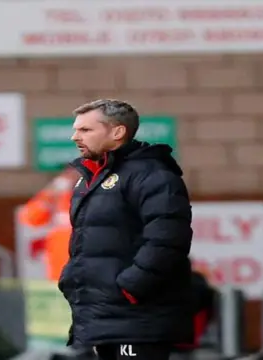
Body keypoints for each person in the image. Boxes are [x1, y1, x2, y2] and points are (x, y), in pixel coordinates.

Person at [58, 99, 194, 360]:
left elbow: (168, 240)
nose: (75, 137)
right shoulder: (89, 179)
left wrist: (130, 287)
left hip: (137, 315)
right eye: (76, 129)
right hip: (103, 315)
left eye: (86, 130)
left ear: (117, 132)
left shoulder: (152, 175)